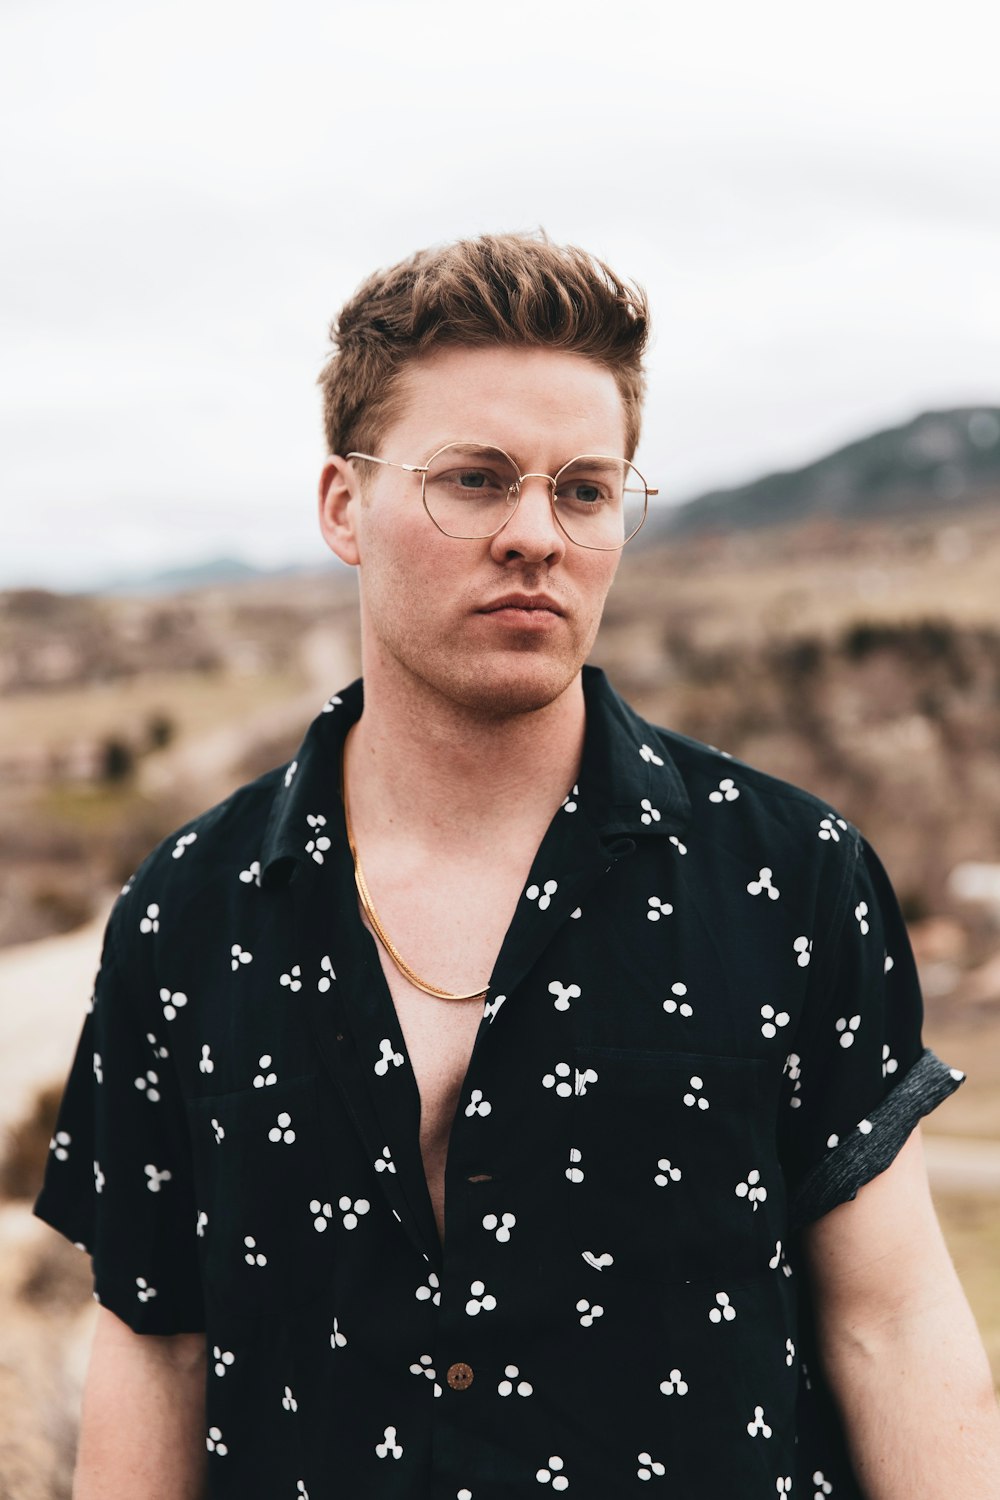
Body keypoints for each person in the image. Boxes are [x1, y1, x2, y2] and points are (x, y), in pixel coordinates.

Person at [35, 233, 1000, 1499]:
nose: (537, 535)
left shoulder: (791, 876)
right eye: (476, 481)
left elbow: (893, 1326)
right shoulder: (188, 911)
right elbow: (155, 1348)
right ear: (343, 507)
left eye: (585, 489)